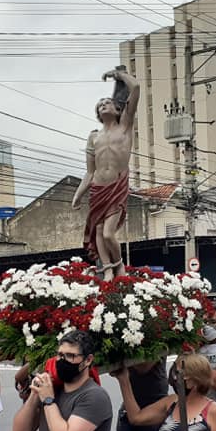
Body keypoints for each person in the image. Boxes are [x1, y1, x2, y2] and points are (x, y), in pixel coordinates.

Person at [71, 67, 140, 280]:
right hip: (98, 188)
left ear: (118, 109)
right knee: (98, 231)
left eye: (107, 102)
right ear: (98, 114)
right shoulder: (94, 137)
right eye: (100, 105)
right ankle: (108, 268)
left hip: (117, 186)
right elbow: (90, 172)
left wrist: (118, 75)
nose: (104, 105)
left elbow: (136, 87)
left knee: (109, 233)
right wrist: (78, 195)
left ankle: (118, 264)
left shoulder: (125, 127)